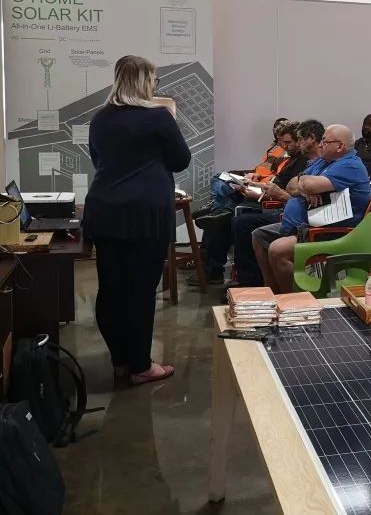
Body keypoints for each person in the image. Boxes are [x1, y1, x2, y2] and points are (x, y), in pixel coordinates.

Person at [83, 55, 191, 386]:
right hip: (146, 213)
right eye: (155, 80)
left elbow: (98, 160)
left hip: (105, 210)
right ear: (145, 81)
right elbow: (181, 160)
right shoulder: (158, 117)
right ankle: (141, 366)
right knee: (141, 290)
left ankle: (120, 362)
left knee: (111, 290)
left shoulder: (100, 119)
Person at [260, 125, 371, 293]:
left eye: (325, 142)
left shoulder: (350, 165)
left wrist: (305, 184)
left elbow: (304, 183)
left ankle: (294, 301)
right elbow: (291, 185)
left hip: (330, 231)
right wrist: (306, 189)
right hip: (306, 225)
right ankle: (274, 294)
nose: (320, 145)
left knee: (277, 250)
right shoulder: (324, 161)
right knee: (259, 236)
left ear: (340, 146)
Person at [226, 120, 325, 287]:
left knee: (242, 222)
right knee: (244, 220)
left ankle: (251, 283)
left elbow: (293, 189)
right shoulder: (311, 162)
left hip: (296, 216)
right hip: (286, 210)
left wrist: (284, 192)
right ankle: (265, 287)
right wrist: (300, 188)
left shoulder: (331, 164)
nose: (284, 146)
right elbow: (292, 185)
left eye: (298, 140)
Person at [195, 120, 300, 227]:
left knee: (229, 196)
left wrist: (259, 191)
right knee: (222, 179)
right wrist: (255, 180)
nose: (284, 146)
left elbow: (283, 189)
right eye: (281, 141)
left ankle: (218, 210)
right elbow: (274, 175)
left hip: (268, 196)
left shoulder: (299, 160)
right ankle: (218, 209)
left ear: (298, 140)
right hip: (261, 184)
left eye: (287, 142)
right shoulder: (284, 154)